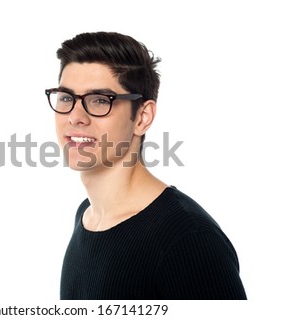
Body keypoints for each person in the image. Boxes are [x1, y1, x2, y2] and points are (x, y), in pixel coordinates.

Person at [45, 31, 247, 300]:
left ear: (142, 116)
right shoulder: (87, 216)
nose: (75, 117)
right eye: (67, 97)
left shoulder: (188, 239)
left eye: (100, 101)